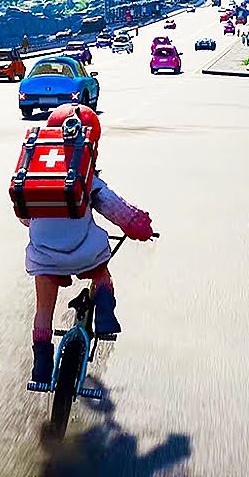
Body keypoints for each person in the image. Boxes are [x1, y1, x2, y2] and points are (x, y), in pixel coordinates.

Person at [20, 105, 154, 388]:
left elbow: (23, 216)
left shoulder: (31, 176)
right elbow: (119, 212)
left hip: (44, 258)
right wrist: (141, 228)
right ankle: (104, 312)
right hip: (85, 254)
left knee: (43, 309)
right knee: (102, 273)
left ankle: (41, 365)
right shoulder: (88, 179)